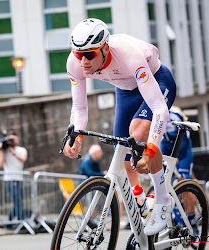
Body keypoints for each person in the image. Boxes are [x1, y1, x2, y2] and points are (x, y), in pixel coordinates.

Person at [63, 18, 177, 235]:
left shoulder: (128, 54)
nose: (83, 61)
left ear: (105, 48)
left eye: (89, 54)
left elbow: (159, 109)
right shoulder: (74, 63)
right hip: (125, 89)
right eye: (79, 54)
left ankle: (163, 201)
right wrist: (76, 137)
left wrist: (150, 151)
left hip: (156, 80)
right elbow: (79, 106)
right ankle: (142, 203)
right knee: (123, 153)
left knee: (138, 134)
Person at [160, 106, 198, 235]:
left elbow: (184, 139)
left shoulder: (174, 114)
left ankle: (191, 219)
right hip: (166, 146)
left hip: (182, 149)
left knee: (184, 181)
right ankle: (174, 217)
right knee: (163, 181)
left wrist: (174, 157)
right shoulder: (153, 112)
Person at [0, 132, 27, 222]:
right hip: (9, 180)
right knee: (17, 202)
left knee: (18, 202)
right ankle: (20, 221)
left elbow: (23, 159)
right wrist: (1, 149)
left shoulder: (21, 150)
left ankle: (8, 222)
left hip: (19, 179)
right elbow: (0, 164)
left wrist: (13, 153)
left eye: (14, 139)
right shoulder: (4, 152)